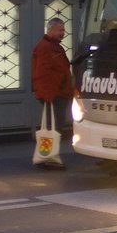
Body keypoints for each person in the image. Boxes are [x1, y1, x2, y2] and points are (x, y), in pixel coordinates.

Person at [32, 17, 74, 166]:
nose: (63, 33)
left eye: (63, 30)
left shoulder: (51, 46)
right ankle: (49, 157)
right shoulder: (46, 47)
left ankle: (47, 155)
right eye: (60, 30)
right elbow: (41, 73)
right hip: (54, 95)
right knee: (53, 128)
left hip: (57, 93)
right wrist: (47, 95)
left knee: (52, 128)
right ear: (50, 30)